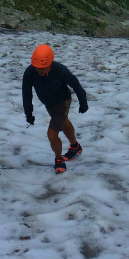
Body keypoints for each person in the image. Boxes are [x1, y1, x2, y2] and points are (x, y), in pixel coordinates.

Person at [22, 44, 88, 174]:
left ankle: (59, 160)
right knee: (64, 123)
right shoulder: (30, 73)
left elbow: (76, 84)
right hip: (49, 104)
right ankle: (75, 147)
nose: (39, 71)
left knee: (52, 134)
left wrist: (83, 102)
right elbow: (26, 93)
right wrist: (28, 113)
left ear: (50, 63)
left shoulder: (60, 70)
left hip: (62, 101)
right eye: (37, 68)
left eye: (42, 68)